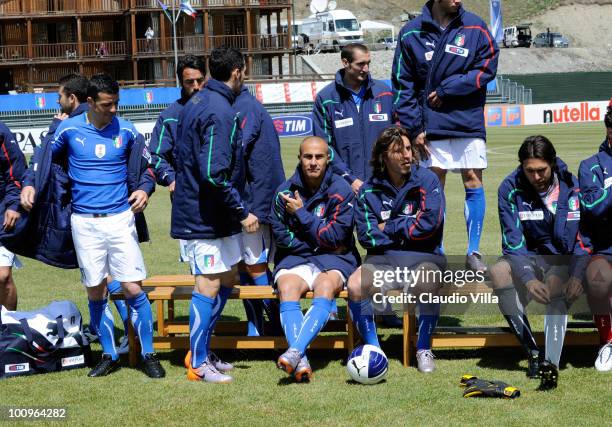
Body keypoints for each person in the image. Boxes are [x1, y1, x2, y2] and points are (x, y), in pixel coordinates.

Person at [20, 74, 164, 379]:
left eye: (116, 103)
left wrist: (143, 190)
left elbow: (149, 169)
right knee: (96, 290)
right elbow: (42, 159)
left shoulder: (127, 130)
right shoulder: (69, 129)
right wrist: (31, 185)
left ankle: (149, 354)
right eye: (106, 104)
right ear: (90, 103)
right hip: (84, 223)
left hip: (120, 220)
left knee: (131, 287)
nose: (113, 109)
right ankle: (109, 355)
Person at [392, 0, 499, 273]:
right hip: (429, 125)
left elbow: (487, 66)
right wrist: (414, 129)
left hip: (468, 119)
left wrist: (449, 88)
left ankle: (473, 251)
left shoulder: (475, 26)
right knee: (433, 187)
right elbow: (403, 86)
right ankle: (436, 251)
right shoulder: (410, 33)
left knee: (473, 181)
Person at [172, 47, 255, 384]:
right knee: (207, 285)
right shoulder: (218, 109)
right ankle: (197, 362)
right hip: (204, 216)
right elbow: (213, 172)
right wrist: (242, 210)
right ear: (238, 71)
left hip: (213, 215)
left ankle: (204, 349)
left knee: (228, 278)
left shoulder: (199, 101)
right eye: (245, 71)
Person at [489, 135, 589, 390]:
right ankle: (533, 353)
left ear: (552, 163)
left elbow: (582, 238)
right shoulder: (508, 188)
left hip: (560, 258)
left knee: (555, 282)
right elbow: (512, 243)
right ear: (521, 166)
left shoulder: (572, 185)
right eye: (529, 170)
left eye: (541, 170)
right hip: (526, 258)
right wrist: (528, 278)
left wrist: (577, 274)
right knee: (498, 271)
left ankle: (551, 363)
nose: (536, 177)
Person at [347, 126, 446, 373]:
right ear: (383, 157)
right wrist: (407, 230)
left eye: (409, 149)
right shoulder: (368, 190)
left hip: (425, 257)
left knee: (428, 280)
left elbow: (430, 225)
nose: (407, 156)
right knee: (355, 284)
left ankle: (423, 348)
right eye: (398, 151)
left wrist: (390, 226)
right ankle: (373, 348)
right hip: (383, 261)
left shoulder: (428, 180)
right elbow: (367, 237)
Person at [312, 43, 397, 325]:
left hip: (381, 187)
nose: (366, 69)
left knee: (381, 246)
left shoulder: (385, 93)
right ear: (345, 63)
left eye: (368, 63)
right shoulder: (326, 99)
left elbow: (396, 137)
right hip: (342, 187)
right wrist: (349, 179)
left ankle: (382, 307)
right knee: (340, 245)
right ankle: (338, 308)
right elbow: (324, 146)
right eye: (360, 64)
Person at [271, 136, 357, 382]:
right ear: (299, 158)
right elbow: (282, 238)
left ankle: (295, 351)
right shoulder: (283, 192)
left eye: (319, 157)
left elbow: (337, 235)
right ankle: (302, 360)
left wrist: (301, 214)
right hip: (297, 257)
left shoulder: (341, 190)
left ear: (328, 159)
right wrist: (319, 243)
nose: (313, 162)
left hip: (335, 260)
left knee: (326, 286)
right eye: (308, 157)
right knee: (287, 287)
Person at [233, 84, 285, 337]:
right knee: (246, 265)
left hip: (255, 203)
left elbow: (234, 151)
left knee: (255, 265)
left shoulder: (244, 107)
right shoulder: (245, 105)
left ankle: (277, 318)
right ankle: (255, 326)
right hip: (251, 200)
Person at [578, 105, 612, 372]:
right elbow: (594, 206)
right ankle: (607, 343)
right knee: (598, 280)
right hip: (604, 248)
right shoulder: (591, 166)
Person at [0, 121, 26, 310]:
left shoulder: (1, 131)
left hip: (1, 212)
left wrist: (13, 204)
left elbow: (16, 172)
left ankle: (9, 330)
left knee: (3, 277)